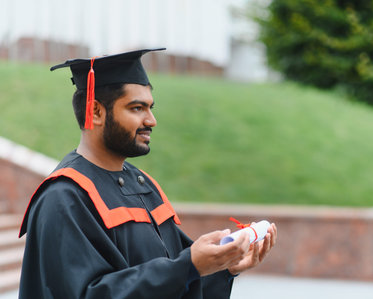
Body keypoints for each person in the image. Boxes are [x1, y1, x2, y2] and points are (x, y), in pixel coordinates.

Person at [18, 48, 277, 299]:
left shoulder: (143, 186)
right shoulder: (64, 198)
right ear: (96, 112)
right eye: (137, 108)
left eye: (150, 107)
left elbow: (178, 276)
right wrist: (188, 266)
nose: (151, 120)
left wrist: (224, 267)